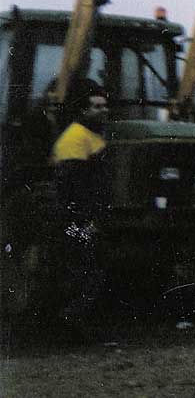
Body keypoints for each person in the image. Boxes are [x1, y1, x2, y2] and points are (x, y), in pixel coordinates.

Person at [51, 85, 110, 321]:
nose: (103, 110)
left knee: (89, 268)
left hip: (84, 218)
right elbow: (72, 187)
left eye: (105, 106)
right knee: (86, 269)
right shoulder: (75, 139)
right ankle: (68, 320)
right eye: (97, 107)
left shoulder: (93, 136)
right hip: (76, 220)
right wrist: (86, 222)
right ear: (84, 111)